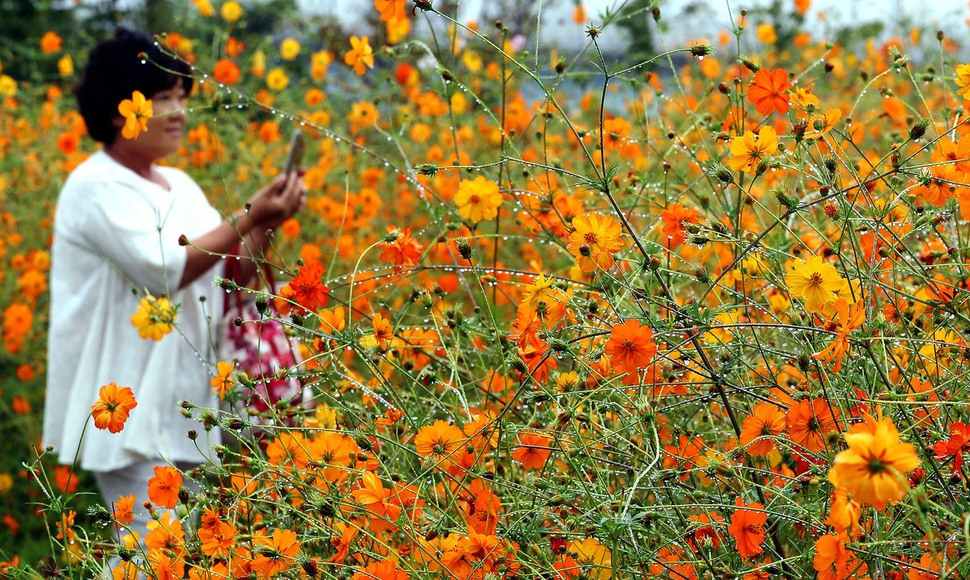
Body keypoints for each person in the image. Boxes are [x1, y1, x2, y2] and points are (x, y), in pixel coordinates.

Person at [41, 27, 306, 552]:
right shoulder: (93, 186)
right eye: (163, 97)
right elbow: (164, 270)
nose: (180, 110)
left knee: (177, 554)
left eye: (182, 96)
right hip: (126, 407)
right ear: (121, 111)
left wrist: (269, 220)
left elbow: (232, 278)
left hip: (186, 405)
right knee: (147, 554)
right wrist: (251, 211)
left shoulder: (179, 185)